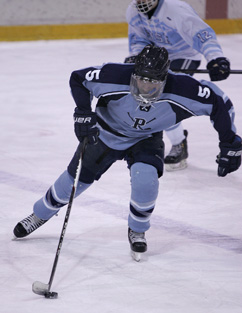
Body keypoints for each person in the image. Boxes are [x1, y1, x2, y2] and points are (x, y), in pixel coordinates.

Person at [13, 45, 241, 262]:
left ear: (164, 79)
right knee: (73, 183)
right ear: (134, 74)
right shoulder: (114, 75)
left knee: (146, 179)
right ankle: (40, 214)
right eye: (141, 80)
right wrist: (82, 111)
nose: (145, 88)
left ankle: (138, 230)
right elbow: (78, 78)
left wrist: (230, 143)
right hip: (104, 134)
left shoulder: (183, 89)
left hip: (146, 139)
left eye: (152, 83)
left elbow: (218, 102)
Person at [125, 0, 231, 171]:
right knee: (149, 98)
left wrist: (215, 58)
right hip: (158, 58)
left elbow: (202, 34)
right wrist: (136, 57)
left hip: (185, 55)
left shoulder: (175, 9)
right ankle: (173, 140)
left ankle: (178, 143)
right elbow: (139, 39)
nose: (141, 1)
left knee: (164, 99)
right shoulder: (132, 11)